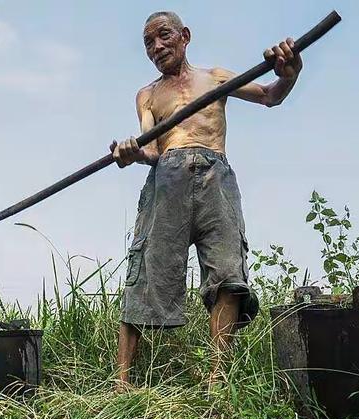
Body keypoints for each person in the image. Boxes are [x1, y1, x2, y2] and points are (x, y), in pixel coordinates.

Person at [111, 11, 302, 389]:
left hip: (216, 176)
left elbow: (269, 95)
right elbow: (150, 147)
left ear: (184, 35)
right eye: (149, 43)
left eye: (164, 36)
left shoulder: (215, 78)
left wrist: (290, 72)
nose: (157, 47)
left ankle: (218, 377)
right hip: (168, 177)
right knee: (146, 269)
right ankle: (123, 382)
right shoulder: (148, 95)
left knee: (228, 272)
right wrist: (131, 151)